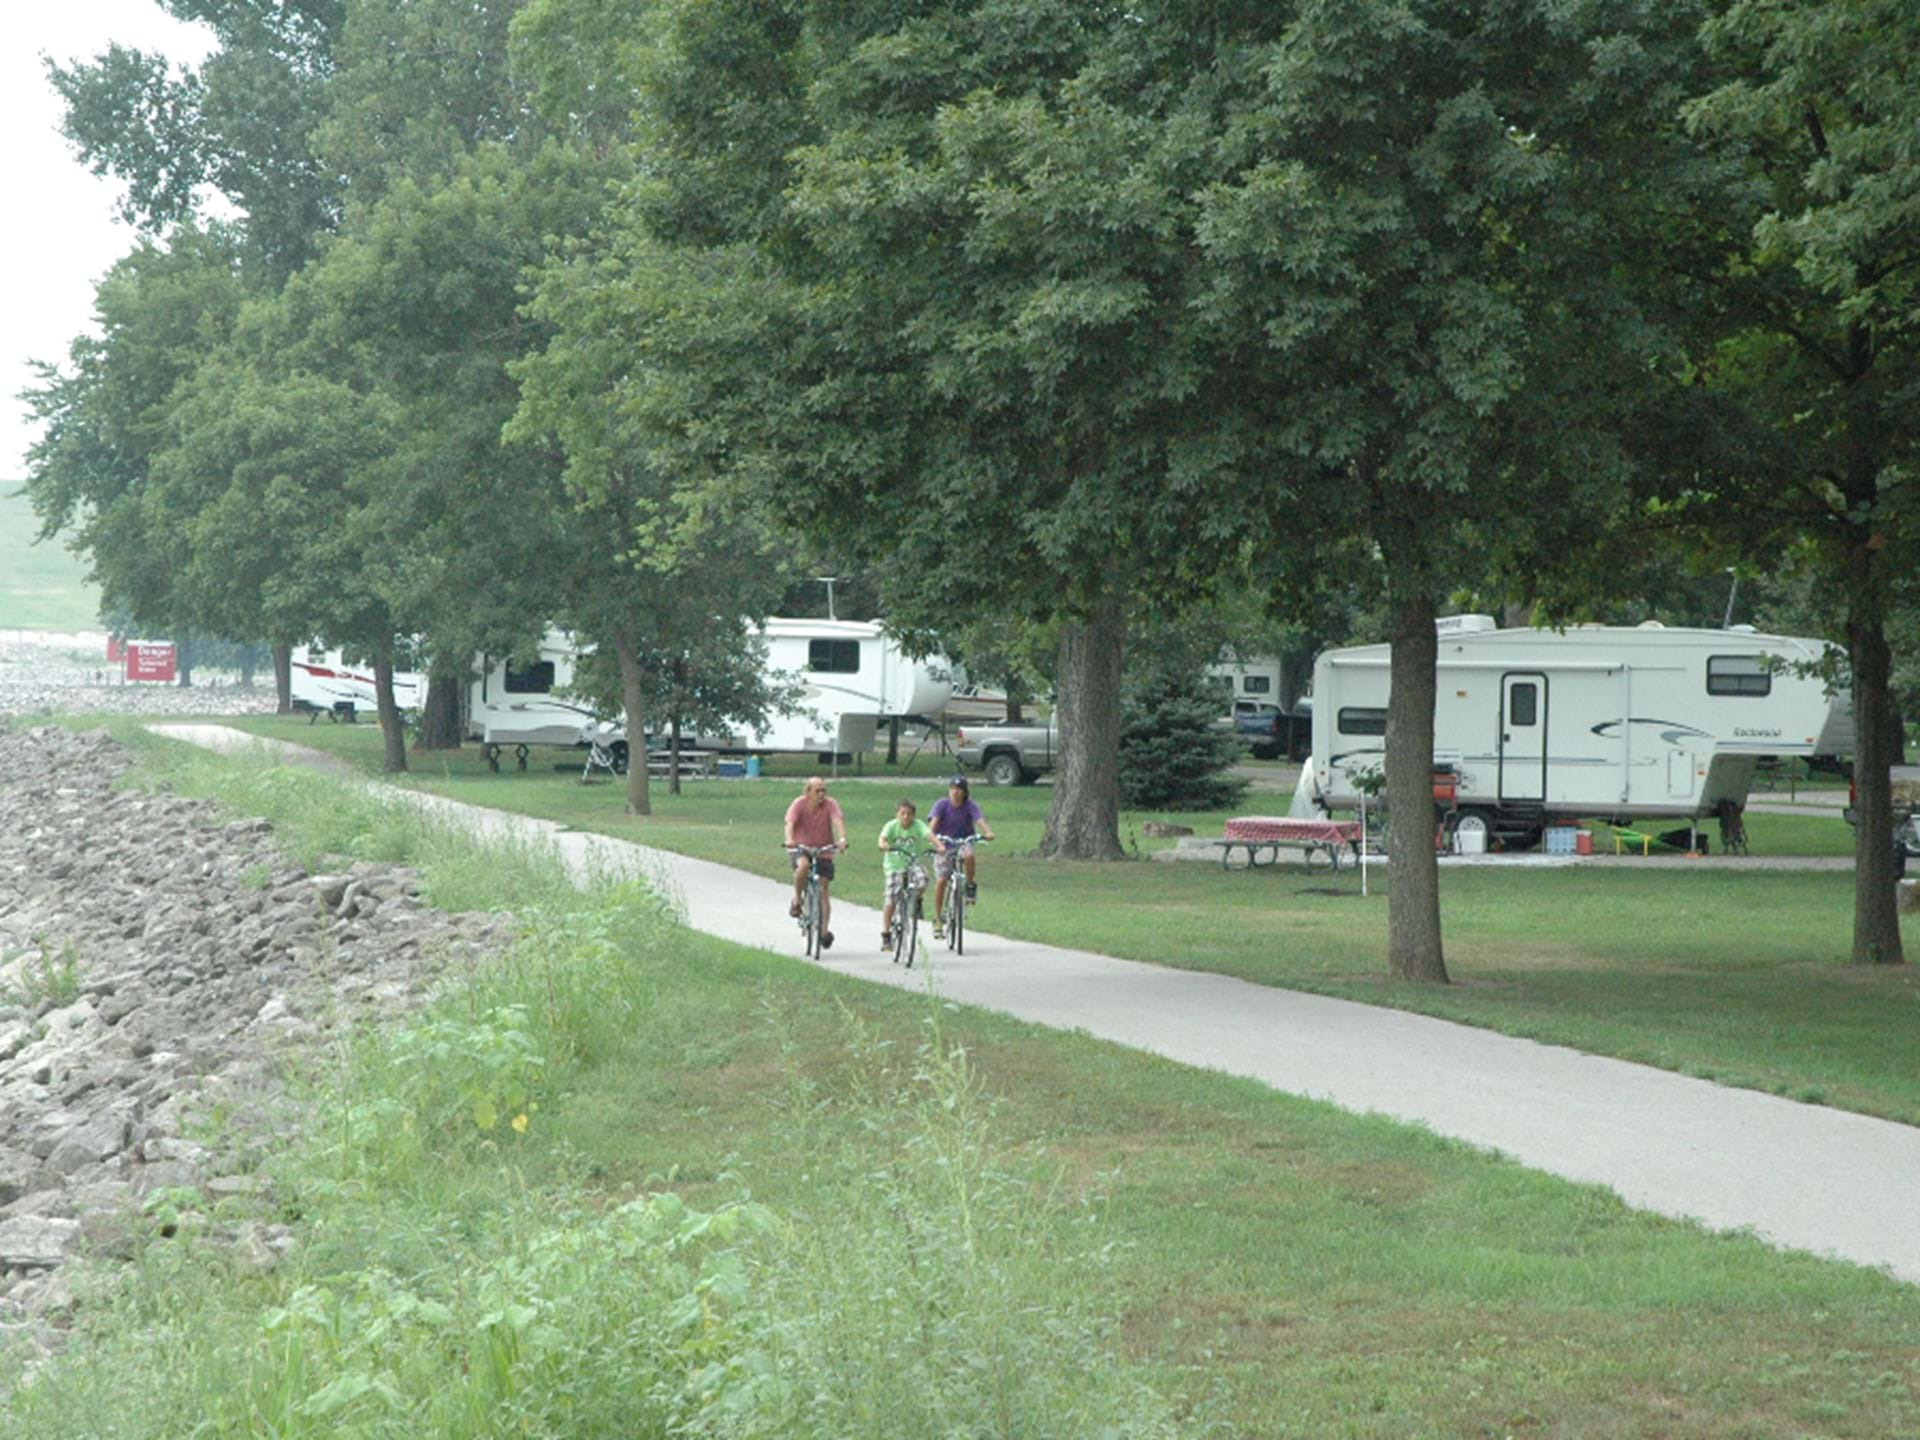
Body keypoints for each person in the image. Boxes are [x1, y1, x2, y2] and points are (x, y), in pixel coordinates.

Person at [784, 776, 848, 950]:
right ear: (808, 792)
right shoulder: (799, 804)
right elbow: (790, 823)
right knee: (803, 866)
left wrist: (842, 839)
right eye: (817, 791)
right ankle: (797, 899)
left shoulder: (831, 804)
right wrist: (790, 839)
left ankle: (823, 931)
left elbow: (838, 821)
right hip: (801, 847)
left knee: (823, 889)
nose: (821, 794)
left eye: (823, 790)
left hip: (824, 850)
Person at [929, 774, 994, 938]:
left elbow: (979, 820)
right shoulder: (942, 805)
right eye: (953, 789)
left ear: (965, 792)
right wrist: (934, 838)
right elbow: (933, 823)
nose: (956, 793)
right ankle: (937, 918)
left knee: (969, 855)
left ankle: (970, 885)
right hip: (944, 844)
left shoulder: (970, 806)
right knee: (942, 879)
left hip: (964, 841)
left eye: (959, 789)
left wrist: (987, 832)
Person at [877, 797, 934, 952]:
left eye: (909, 814)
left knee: (923, 878)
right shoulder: (891, 826)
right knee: (891, 899)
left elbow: (929, 835)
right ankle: (886, 934)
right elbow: (882, 839)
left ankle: (917, 900)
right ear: (897, 814)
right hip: (894, 866)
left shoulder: (918, 825)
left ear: (913, 815)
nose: (906, 817)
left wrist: (939, 845)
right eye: (902, 813)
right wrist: (884, 846)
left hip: (912, 863)